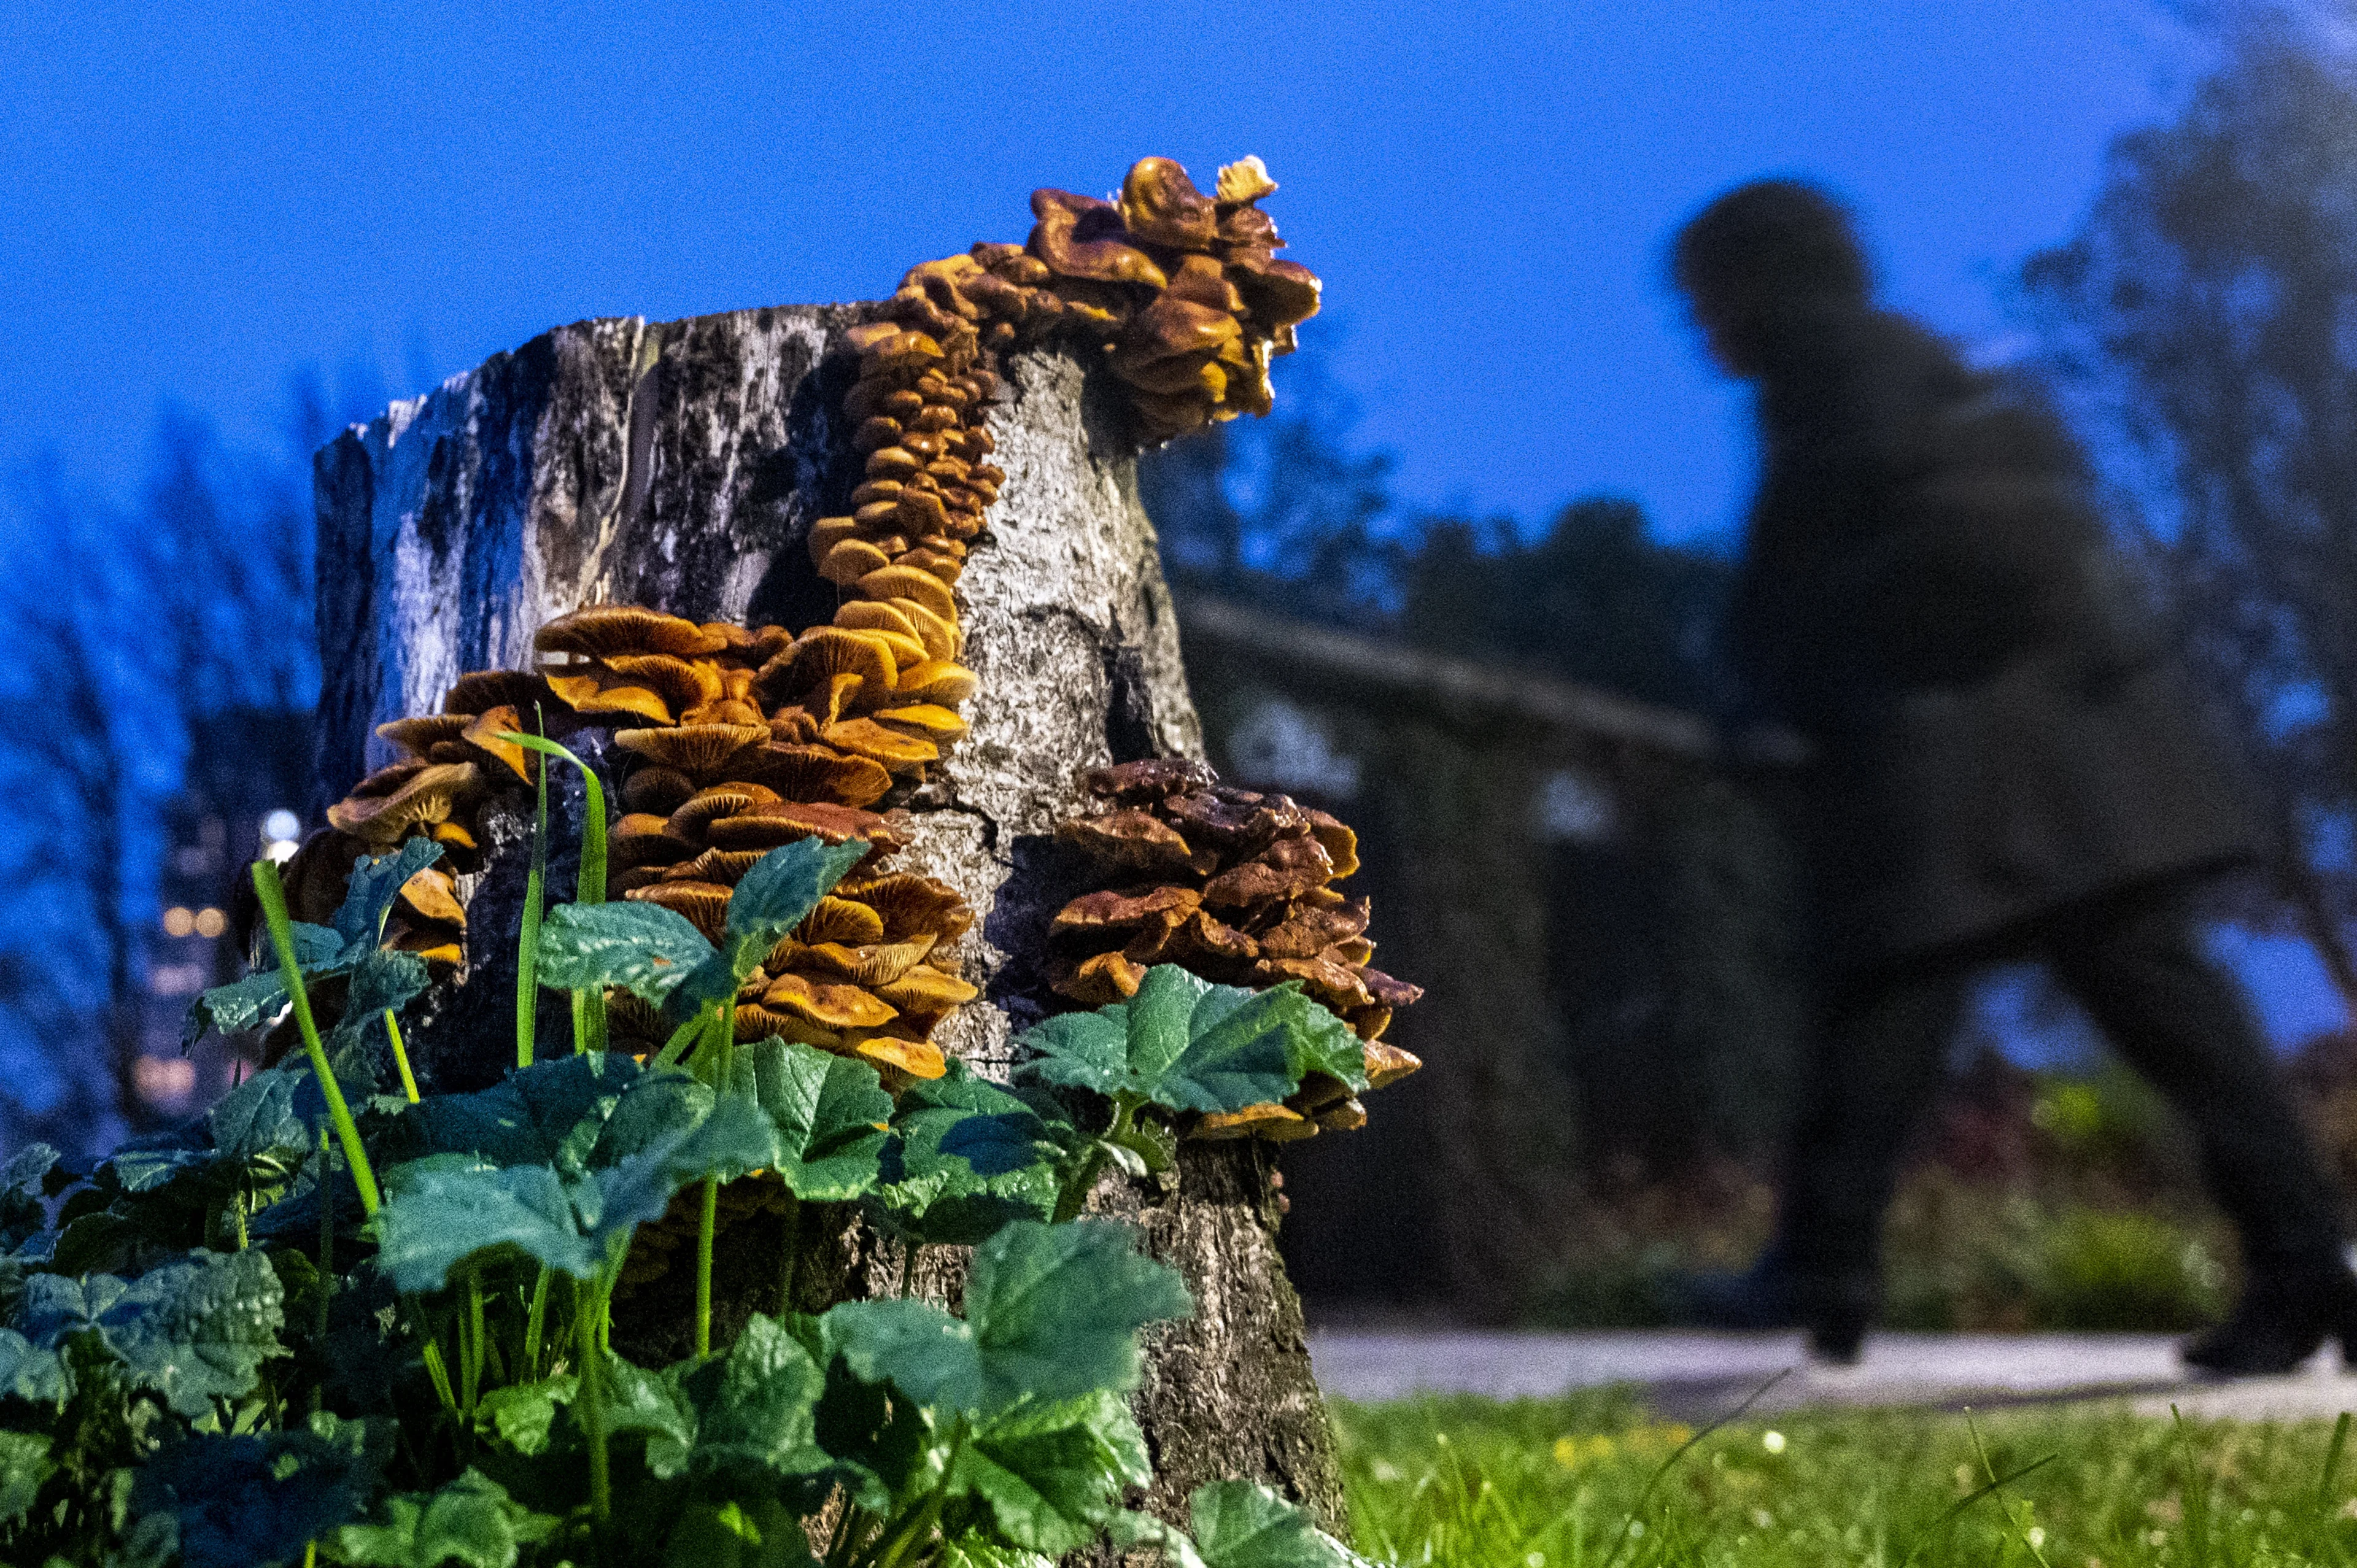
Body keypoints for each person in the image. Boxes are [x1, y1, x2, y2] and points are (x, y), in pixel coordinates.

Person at [1672, 178, 2356, 1372]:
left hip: (2006, 773)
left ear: (1762, 278)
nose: (1700, 323)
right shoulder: (1886, 362)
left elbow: (1885, 548)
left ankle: (1825, 1263)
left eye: (1707, 293)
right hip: (2059, 768)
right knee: (2142, 1019)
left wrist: (1799, 664)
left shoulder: (1836, 365)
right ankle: (2302, 1265)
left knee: (1904, 999)